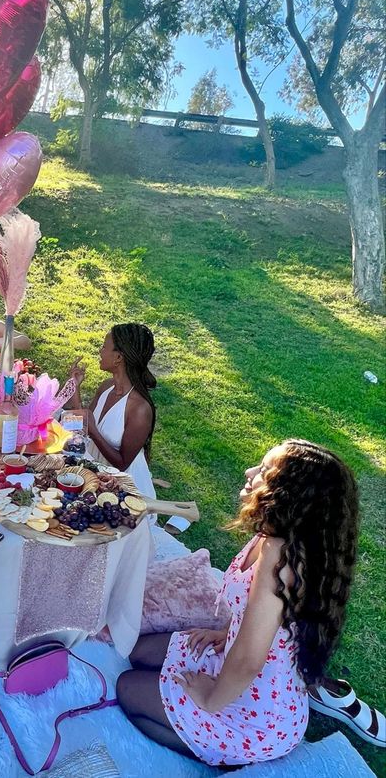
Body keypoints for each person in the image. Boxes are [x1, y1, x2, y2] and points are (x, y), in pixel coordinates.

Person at [115, 439, 360, 767]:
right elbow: (262, 619)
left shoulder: (280, 558)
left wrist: (210, 696)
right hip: (236, 662)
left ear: (291, 495)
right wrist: (227, 633)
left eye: (265, 472)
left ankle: (224, 757)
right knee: (136, 653)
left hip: (255, 711)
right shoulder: (272, 536)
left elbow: (248, 659)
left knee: (127, 689)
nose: (249, 472)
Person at [69, 323, 157, 498]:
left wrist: (93, 431)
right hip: (96, 472)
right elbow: (85, 425)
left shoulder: (139, 408)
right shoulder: (107, 386)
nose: (100, 352)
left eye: (103, 347)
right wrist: (75, 387)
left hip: (123, 485)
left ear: (118, 357)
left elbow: (122, 462)